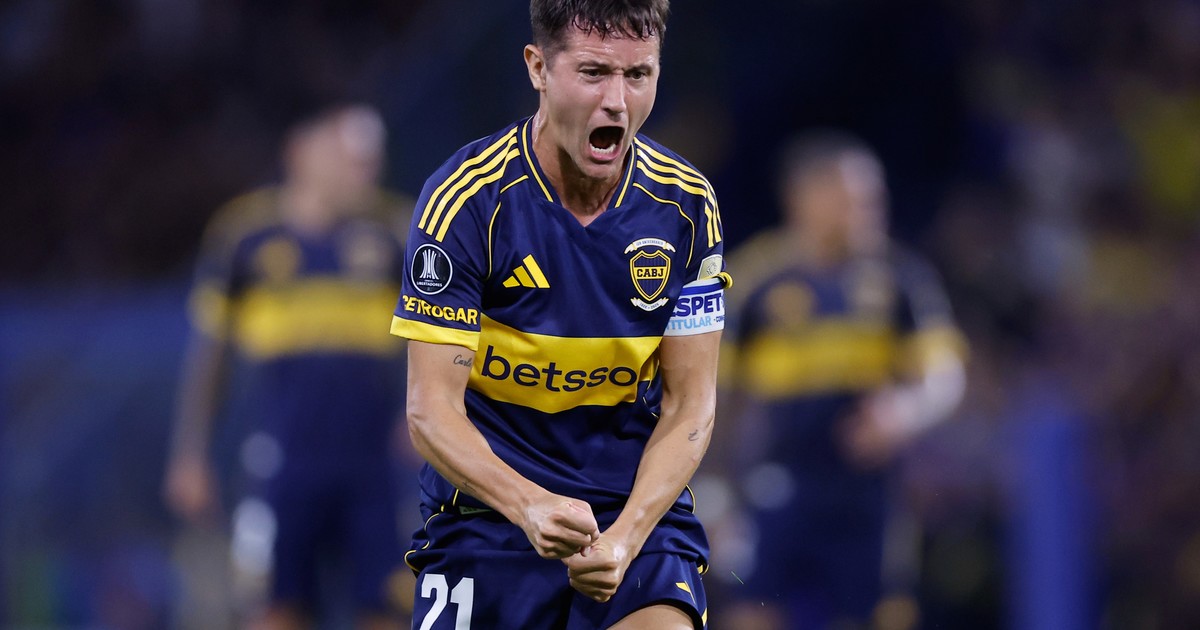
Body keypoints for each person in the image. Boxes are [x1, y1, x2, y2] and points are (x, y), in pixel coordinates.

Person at [388, 1, 729, 628]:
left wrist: (626, 536)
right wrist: (529, 505)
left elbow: (690, 404)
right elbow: (430, 411)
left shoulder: (685, 206)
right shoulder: (466, 201)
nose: (617, 102)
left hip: (632, 517)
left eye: (638, 75)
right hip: (488, 518)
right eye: (594, 72)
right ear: (538, 68)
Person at [164, 102, 415, 630]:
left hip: (374, 468)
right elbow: (210, 357)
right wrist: (191, 454)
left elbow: (436, 333)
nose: (364, 170)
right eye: (348, 156)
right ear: (301, 153)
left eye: (370, 159)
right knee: (273, 609)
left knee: (387, 607)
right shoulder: (245, 235)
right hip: (279, 465)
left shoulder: (397, 231)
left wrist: (423, 408)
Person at [718, 131, 967, 630]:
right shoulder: (752, 280)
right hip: (775, 481)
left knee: (877, 613)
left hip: (868, 490)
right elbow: (713, 395)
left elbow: (945, 376)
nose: (870, 213)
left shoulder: (901, 277)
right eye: (854, 201)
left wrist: (906, 412)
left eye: (875, 200)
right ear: (803, 199)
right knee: (751, 609)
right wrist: (712, 489)